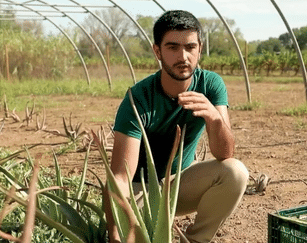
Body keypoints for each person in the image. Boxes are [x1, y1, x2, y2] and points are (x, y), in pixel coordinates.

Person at [106, 10, 249, 243]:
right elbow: (121, 177)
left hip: (179, 183)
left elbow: (225, 153)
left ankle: (194, 240)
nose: (183, 56)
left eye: (190, 47)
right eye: (172, 47)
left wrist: (214, 118)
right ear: (157, 51)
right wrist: (115, 234)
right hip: (140, 192)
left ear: (200, 49)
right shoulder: (138, 99)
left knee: (235, 172)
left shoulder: (210, 84)